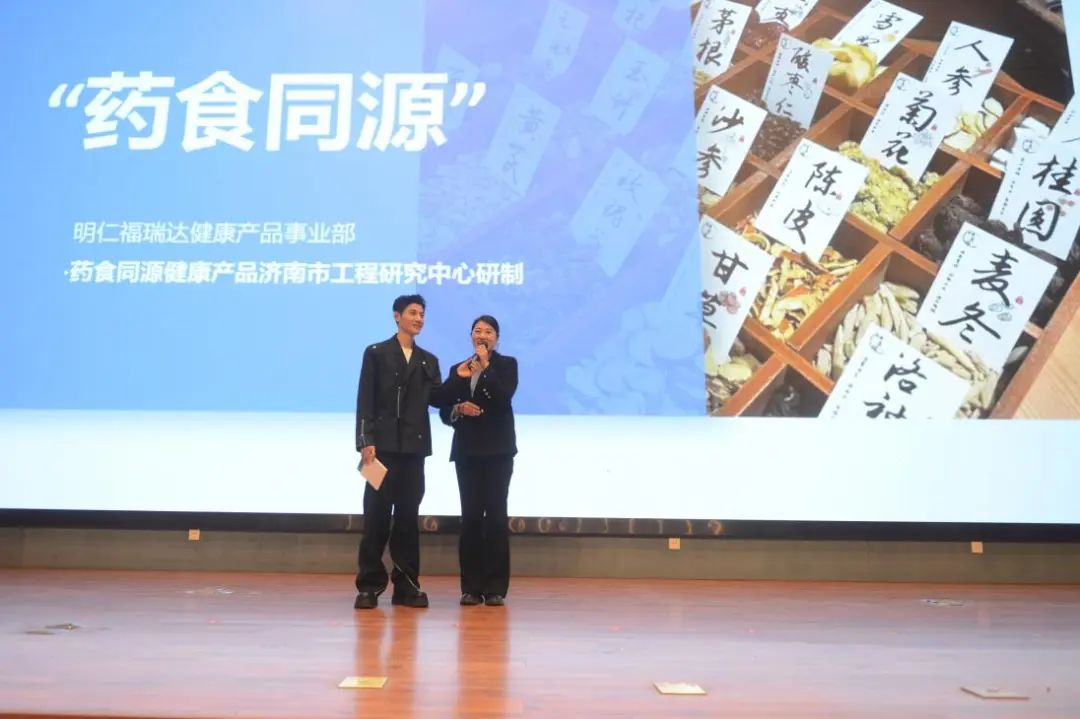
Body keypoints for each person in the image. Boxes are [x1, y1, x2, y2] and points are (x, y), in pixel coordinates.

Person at [354, 294, 452, 610]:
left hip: (413, 451)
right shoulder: (376, 353)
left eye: (422, 313)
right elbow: (365, 399)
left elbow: (438, 399)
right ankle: (369, 587)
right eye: (413, 312)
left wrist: (459, 381)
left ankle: (407, 586)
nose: (419, 318)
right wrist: (365, 440)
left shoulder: (428, 361)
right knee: (376, 518)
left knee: (408, 519)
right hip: (379, 451)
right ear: (397, 316)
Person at [438, 315, 518, 607]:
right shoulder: (459, 368)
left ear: (497, 338)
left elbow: (502, 397)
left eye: (488, 331)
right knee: (470, 517)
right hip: (467, 452)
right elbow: (443, 407)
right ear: (471, 336)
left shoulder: (506, 365)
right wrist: (458, 407)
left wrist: (485, 366)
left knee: (495, 516)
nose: (482, 335)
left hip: (498, 452)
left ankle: (495, 588)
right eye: (477, 330)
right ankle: (471, 587)